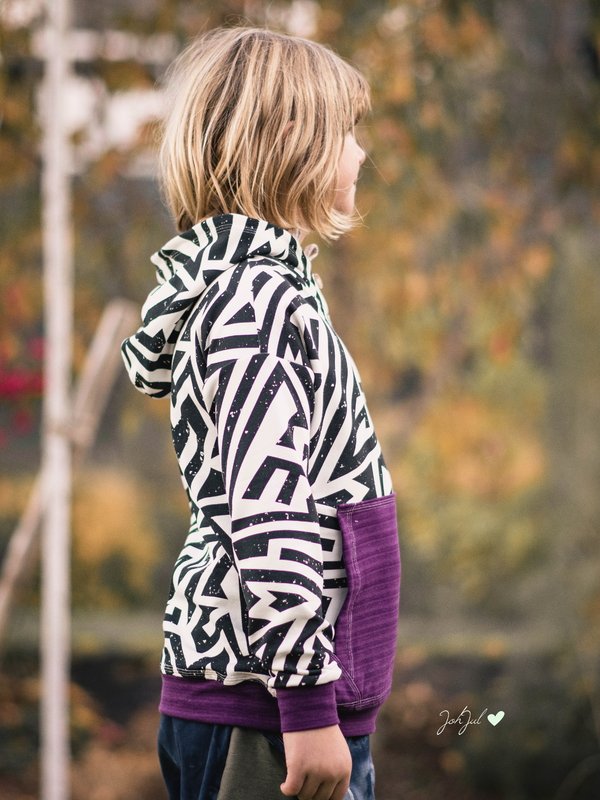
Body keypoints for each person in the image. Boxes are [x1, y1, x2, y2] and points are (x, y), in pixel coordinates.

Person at [121, 26, 401, 800]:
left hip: (275, 702)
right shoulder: (256, 303)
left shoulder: (264, 291)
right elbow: (270, 509)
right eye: (346, 132)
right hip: (268, 710)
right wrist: (307, 704)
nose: (361, 153)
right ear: (291, 143)